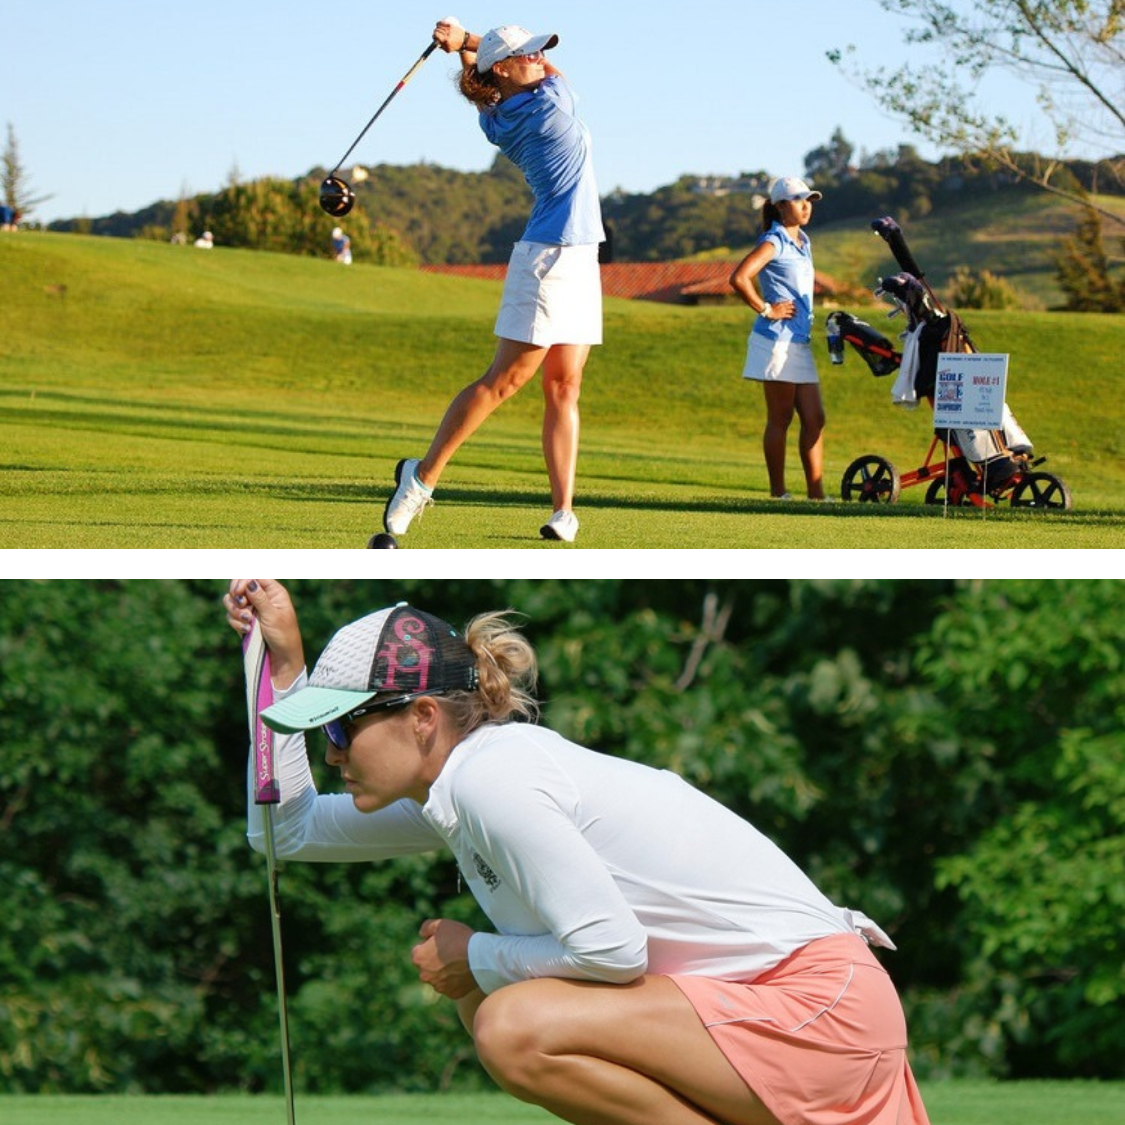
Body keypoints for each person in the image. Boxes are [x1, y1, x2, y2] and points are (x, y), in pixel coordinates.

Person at [224, 578, 932, 1125]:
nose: (332, 753)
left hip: (816, 1010)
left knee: (510, 1022)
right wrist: (281, 666)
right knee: (491, 1001)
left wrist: (474, 952)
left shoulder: (491, 780)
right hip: (793, 1007)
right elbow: (283, 832)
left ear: (423, 717)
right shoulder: (462, 782)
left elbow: (613, 952)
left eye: (340, 730)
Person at [382, 19, 605, 544]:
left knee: (565, 385)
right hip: (548, 259)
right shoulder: (548, 107)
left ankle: (563, 511)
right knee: (505, 381)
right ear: (502, 69)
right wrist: (465, 43)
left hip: (580, 255)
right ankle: (421, 478)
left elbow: (490, 82)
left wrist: (465, 46)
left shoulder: (498, 116)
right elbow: (548, 73)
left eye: (537, 51)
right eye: (527, 54)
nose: (540, 58)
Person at [730, 177, 830, 501]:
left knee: (815, 418)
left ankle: (816, 496)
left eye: (809, 200)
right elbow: (739, 277)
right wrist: (766, 309)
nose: (806, 206)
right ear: (781, 206)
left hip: (799, 342)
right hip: (776, 341)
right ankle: (779, 493)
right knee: (781, 418)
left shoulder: (803, 241)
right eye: (799, 200)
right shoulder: (775, 240)